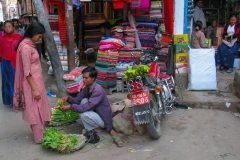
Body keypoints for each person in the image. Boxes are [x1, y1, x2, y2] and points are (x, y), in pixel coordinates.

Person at [59, 66, 123, 147]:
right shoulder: (87, 88)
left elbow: (87, 107)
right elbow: (77, 100)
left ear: (93, 78)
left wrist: (70, 107)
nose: (84, 80)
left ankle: (96, 128)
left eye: (86, 78)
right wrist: (68, 98)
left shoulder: (97, 90)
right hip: (97, 113)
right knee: (83, 101)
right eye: (83, 78)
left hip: (103, 119)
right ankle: (92, 124)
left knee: (83, 114)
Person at [13, 22, 51, 144]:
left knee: (38, 107)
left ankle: (39, 134)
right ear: (33, 33)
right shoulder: (26, 48)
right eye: (39, 36)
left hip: (36, 81)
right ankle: (39, 138)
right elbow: (27, 71)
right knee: (36, 109)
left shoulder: (30, 45)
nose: (40, 39)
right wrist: (34, 89)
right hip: (31, 83)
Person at [0, 21, 22, 106]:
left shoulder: (19, 38)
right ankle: (10, 101)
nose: (7, 28)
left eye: (9, 26)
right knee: (7, 81)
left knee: (16, 81)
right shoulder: (1, 39)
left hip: (16, 63)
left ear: (13, 27)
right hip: (5, 63)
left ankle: (18, 101)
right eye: (5, 27)